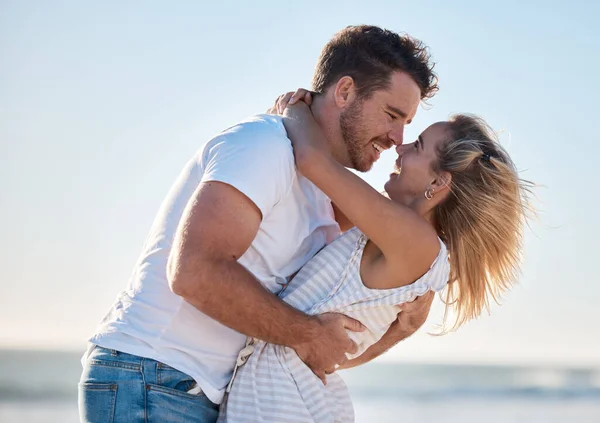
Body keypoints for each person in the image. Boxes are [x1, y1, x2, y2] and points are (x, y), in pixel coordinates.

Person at [78, 25, 439, 423]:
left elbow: (335, 340)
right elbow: (194, 272)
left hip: (193, 390)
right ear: (345, 91)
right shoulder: (264, 146)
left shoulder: (323, 189)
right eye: (392, 115)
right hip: (153, 378)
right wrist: (309, 333)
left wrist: (401, 326)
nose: (397, 138)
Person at [219, 91, 533, 422]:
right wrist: (399, 332)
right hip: (286, 398)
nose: (401, 147)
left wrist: (296, 108)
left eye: (418, 146)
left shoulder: (415, 241)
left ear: (439, 181)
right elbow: (337, 354)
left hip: (281, 404)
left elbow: (312, 159)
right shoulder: (398, 236)